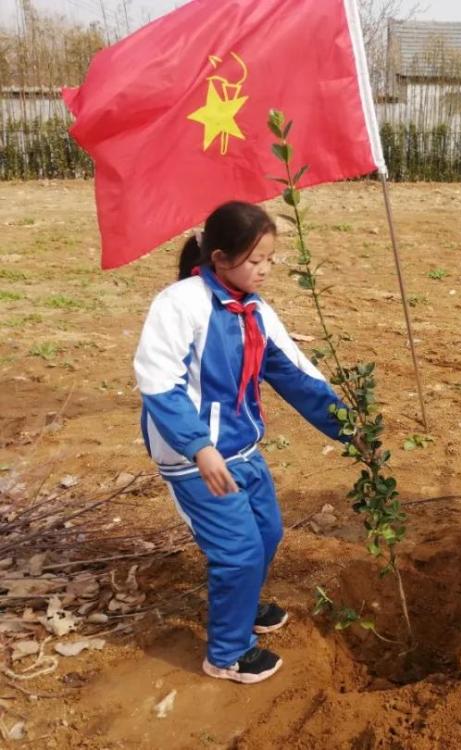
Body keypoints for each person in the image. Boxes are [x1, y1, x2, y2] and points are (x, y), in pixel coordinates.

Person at [134, 201, 355, 684]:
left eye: (270, 260)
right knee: (238, 552)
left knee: (267, 534)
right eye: (256, 260)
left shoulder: (253, 310)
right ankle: (228, 652)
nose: (266, 270)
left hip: (240, 447)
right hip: (195, 457)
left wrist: (346, 426)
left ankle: (242, 601)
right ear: (219, 257)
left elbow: (291, 372)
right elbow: (157, 382)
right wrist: (199, 446)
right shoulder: (181, 304)